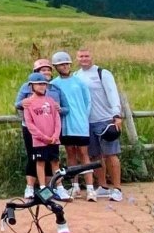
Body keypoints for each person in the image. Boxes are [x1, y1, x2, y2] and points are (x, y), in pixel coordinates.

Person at [75, 49, 124, 202]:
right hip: (87, 121)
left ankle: (117, 188)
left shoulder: (103, 73)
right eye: (81, 56)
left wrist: (116, 115)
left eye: (86, 56)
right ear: (77, 59)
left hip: (105, 119)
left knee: (111, 154)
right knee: (94, 155)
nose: (84, 59)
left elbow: (113, 93)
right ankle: (102, 185)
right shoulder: (76, 76)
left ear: (92, 57)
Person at [15, 59, 68, 199]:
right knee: (37, 160)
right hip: (37, 137)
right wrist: (43, 137)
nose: (42, 86)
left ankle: (58, 187)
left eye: (44, 84)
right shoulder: (28, 101)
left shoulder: (52, 97)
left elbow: (57, 117)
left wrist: (55, 134)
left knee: (55, 161)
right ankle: (38, 188)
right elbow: (29, 121)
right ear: (32, 85)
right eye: (39, 83)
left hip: (52, 135)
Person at [51, 51, 94, 200]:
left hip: (80, 123)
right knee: (70, 154)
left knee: (83, 154)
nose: (64, 67)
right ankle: (75, 186)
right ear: (56, 67)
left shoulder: (79, 81)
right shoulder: (54, 84)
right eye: (61, 65)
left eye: (66, 64)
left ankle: (90, 188)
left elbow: (87, 101)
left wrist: (83, 117)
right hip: (65, 124)